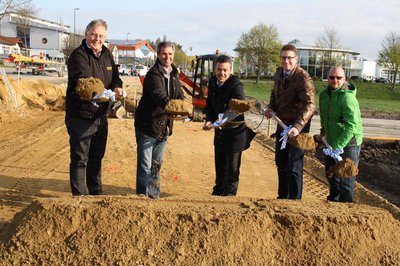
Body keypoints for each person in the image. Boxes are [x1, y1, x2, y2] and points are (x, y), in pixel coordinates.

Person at [65, 19, 124, 196]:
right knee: (80, 159)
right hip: (81, 115)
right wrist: (104, 93)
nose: (97, 39)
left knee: (96, 157)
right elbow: (86, 82)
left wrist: (117, 87)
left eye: (100, 36)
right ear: (86, 34)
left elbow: (115, 77)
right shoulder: (79, 55)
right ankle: (79, 196)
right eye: (93, 34)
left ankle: (95, 193)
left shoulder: (107, 54)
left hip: (100, 115)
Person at [134, 41, 185, 199]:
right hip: (147, 125)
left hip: (164, 127)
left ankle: (153, 195)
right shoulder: (153, 74)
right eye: (164, 53)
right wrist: (175, 107)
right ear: (158, 55)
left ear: (173, 55)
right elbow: (159, 96)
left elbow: (179, 94)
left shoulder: (174, 74)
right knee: (145, 165)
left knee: (157, 164)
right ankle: (142, 195)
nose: (167, 57)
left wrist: (184, 104)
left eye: (170, 54)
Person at [264, 44, 315, 199]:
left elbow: (310, 104)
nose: (286, 61)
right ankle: (282, 197)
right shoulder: (279, 74)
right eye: (283, 58)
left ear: (296, 59)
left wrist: (298, 127)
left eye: (290, 58)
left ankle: (294, 200)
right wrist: (271, 107)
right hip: (282, 124)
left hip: (297, 127)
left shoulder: (303, 78)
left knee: (294, 166)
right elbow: (274, 94)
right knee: (281, 162)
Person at [203, 55, 248, 196]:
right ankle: (217, 193)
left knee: (232, 170)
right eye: (219, 70)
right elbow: (209, 104)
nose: (222, 73)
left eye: (225, 70)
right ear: (215, 69)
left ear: (230, 70)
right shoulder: (212, 82)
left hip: (235, 133)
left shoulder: (236, 85)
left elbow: (237, 107)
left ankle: (229, 197)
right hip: (220, 133)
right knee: (220, 166)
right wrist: (209, 119)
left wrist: (219, 122)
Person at [318, 67, 363, 202]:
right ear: (328, 78)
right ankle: (333, 204)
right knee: (332, 176)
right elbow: (324, 118)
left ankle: (346, 209)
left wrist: (339, 146)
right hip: (331, 142)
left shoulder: (348, 99)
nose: (335, 80)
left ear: (344, 79)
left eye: (338, 78)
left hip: (349, 143)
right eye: (332, 77)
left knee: (346, 180)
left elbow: (352, 125)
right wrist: (323, 133)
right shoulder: (324, 95)